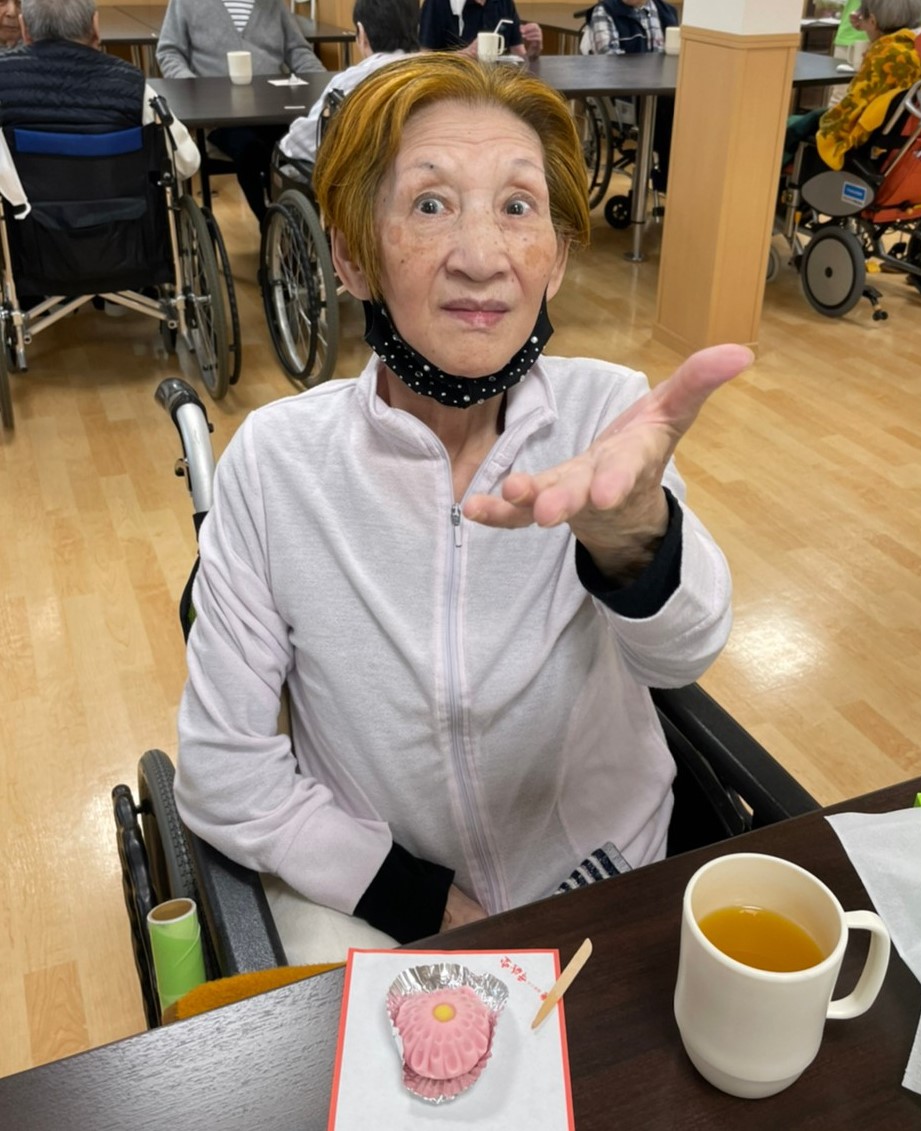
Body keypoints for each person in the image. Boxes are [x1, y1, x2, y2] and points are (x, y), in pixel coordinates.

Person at [175, 53, 751, 963]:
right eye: (431, 203)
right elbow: (221, 772)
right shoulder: (277, 464)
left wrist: (634, 544)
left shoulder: (606, 419)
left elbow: (685, 653)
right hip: (383, 913)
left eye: (518, 207)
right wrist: (419, 899)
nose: (481, 258)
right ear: (351, 255)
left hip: (610, 887)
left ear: (557, 259)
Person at [0, 0, 199, 201]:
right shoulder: (132, 85)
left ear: (24, 28)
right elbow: (186, 161)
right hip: (124, 216)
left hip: (32, 217)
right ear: (95, 25)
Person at [157, 0, 324, 220]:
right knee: (250, 148)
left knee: (298, 145)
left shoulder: (272, 4)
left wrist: (325, 83)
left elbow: (298, 51)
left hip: (272, 112)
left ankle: (291, 221)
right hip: (219, 119)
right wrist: (194, 87)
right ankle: (268, 222)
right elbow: (169, 53)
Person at [785, 0, 921, 170]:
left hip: (864, 140)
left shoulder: (884, 55)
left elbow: (849, 111)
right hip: (898, 140)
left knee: (792, 126)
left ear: (872, 21)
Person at [278, 0, 419, 168]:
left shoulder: (353, 80)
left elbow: (304, 142)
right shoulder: (435, 71)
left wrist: (286, 142)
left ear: (361, 33)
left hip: (365, 177)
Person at [582, 0, 678, 191]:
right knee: (669, 114)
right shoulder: (605, 11)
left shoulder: (666, 12)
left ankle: (676, 177)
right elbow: (610, 61)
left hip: (663, 93)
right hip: (627, 96)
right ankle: (668, 178)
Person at [418, 0, 543, 59]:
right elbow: (424, 60)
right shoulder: (437, 3)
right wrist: (464, 55)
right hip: (452, 87)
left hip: (499, 87)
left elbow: (520, 57)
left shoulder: (504, 3)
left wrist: (534, 48)